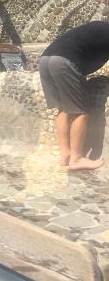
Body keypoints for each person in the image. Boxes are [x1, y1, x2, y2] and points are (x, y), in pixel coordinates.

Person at [39, 21, 109, 171]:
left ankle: (66, 154)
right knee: (81, 111)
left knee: (63, 108)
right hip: (64, 62)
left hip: (45, 60)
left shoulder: (100, 27)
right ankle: (76, 159)